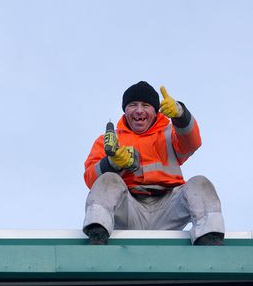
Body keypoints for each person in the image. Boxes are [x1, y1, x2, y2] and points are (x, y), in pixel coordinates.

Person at [82, 81, 224, 245]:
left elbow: (192, 142)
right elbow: (91, 179)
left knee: (200, 183)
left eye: (146, 105)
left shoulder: (170, 133)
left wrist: (180, 114)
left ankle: (210, 238)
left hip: (169, 208)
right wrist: (112, 163)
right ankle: (97, 234)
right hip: (130, 209)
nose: (139, 110)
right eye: (133, 105)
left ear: (156, 111)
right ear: (125, 110)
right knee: (108, 180)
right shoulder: (110, 140)